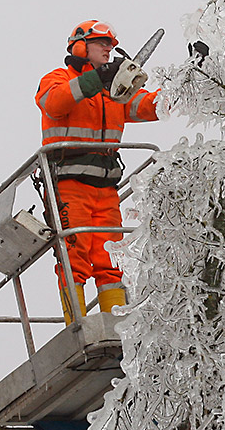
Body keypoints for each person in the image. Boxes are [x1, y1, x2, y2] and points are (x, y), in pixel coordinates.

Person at [35, 20, 159, 323]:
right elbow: (55, 103)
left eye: (111, 45)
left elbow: (150, 106)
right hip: (68, 185)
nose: (108, 49)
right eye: (102, 43)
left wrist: (194, 77)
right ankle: (76, 326)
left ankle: (115, 327)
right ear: (80, 47)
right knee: (73, 259)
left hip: (106, 189)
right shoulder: (57, 79)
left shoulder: (114, 91)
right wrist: (98, 78)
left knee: (111, 261)